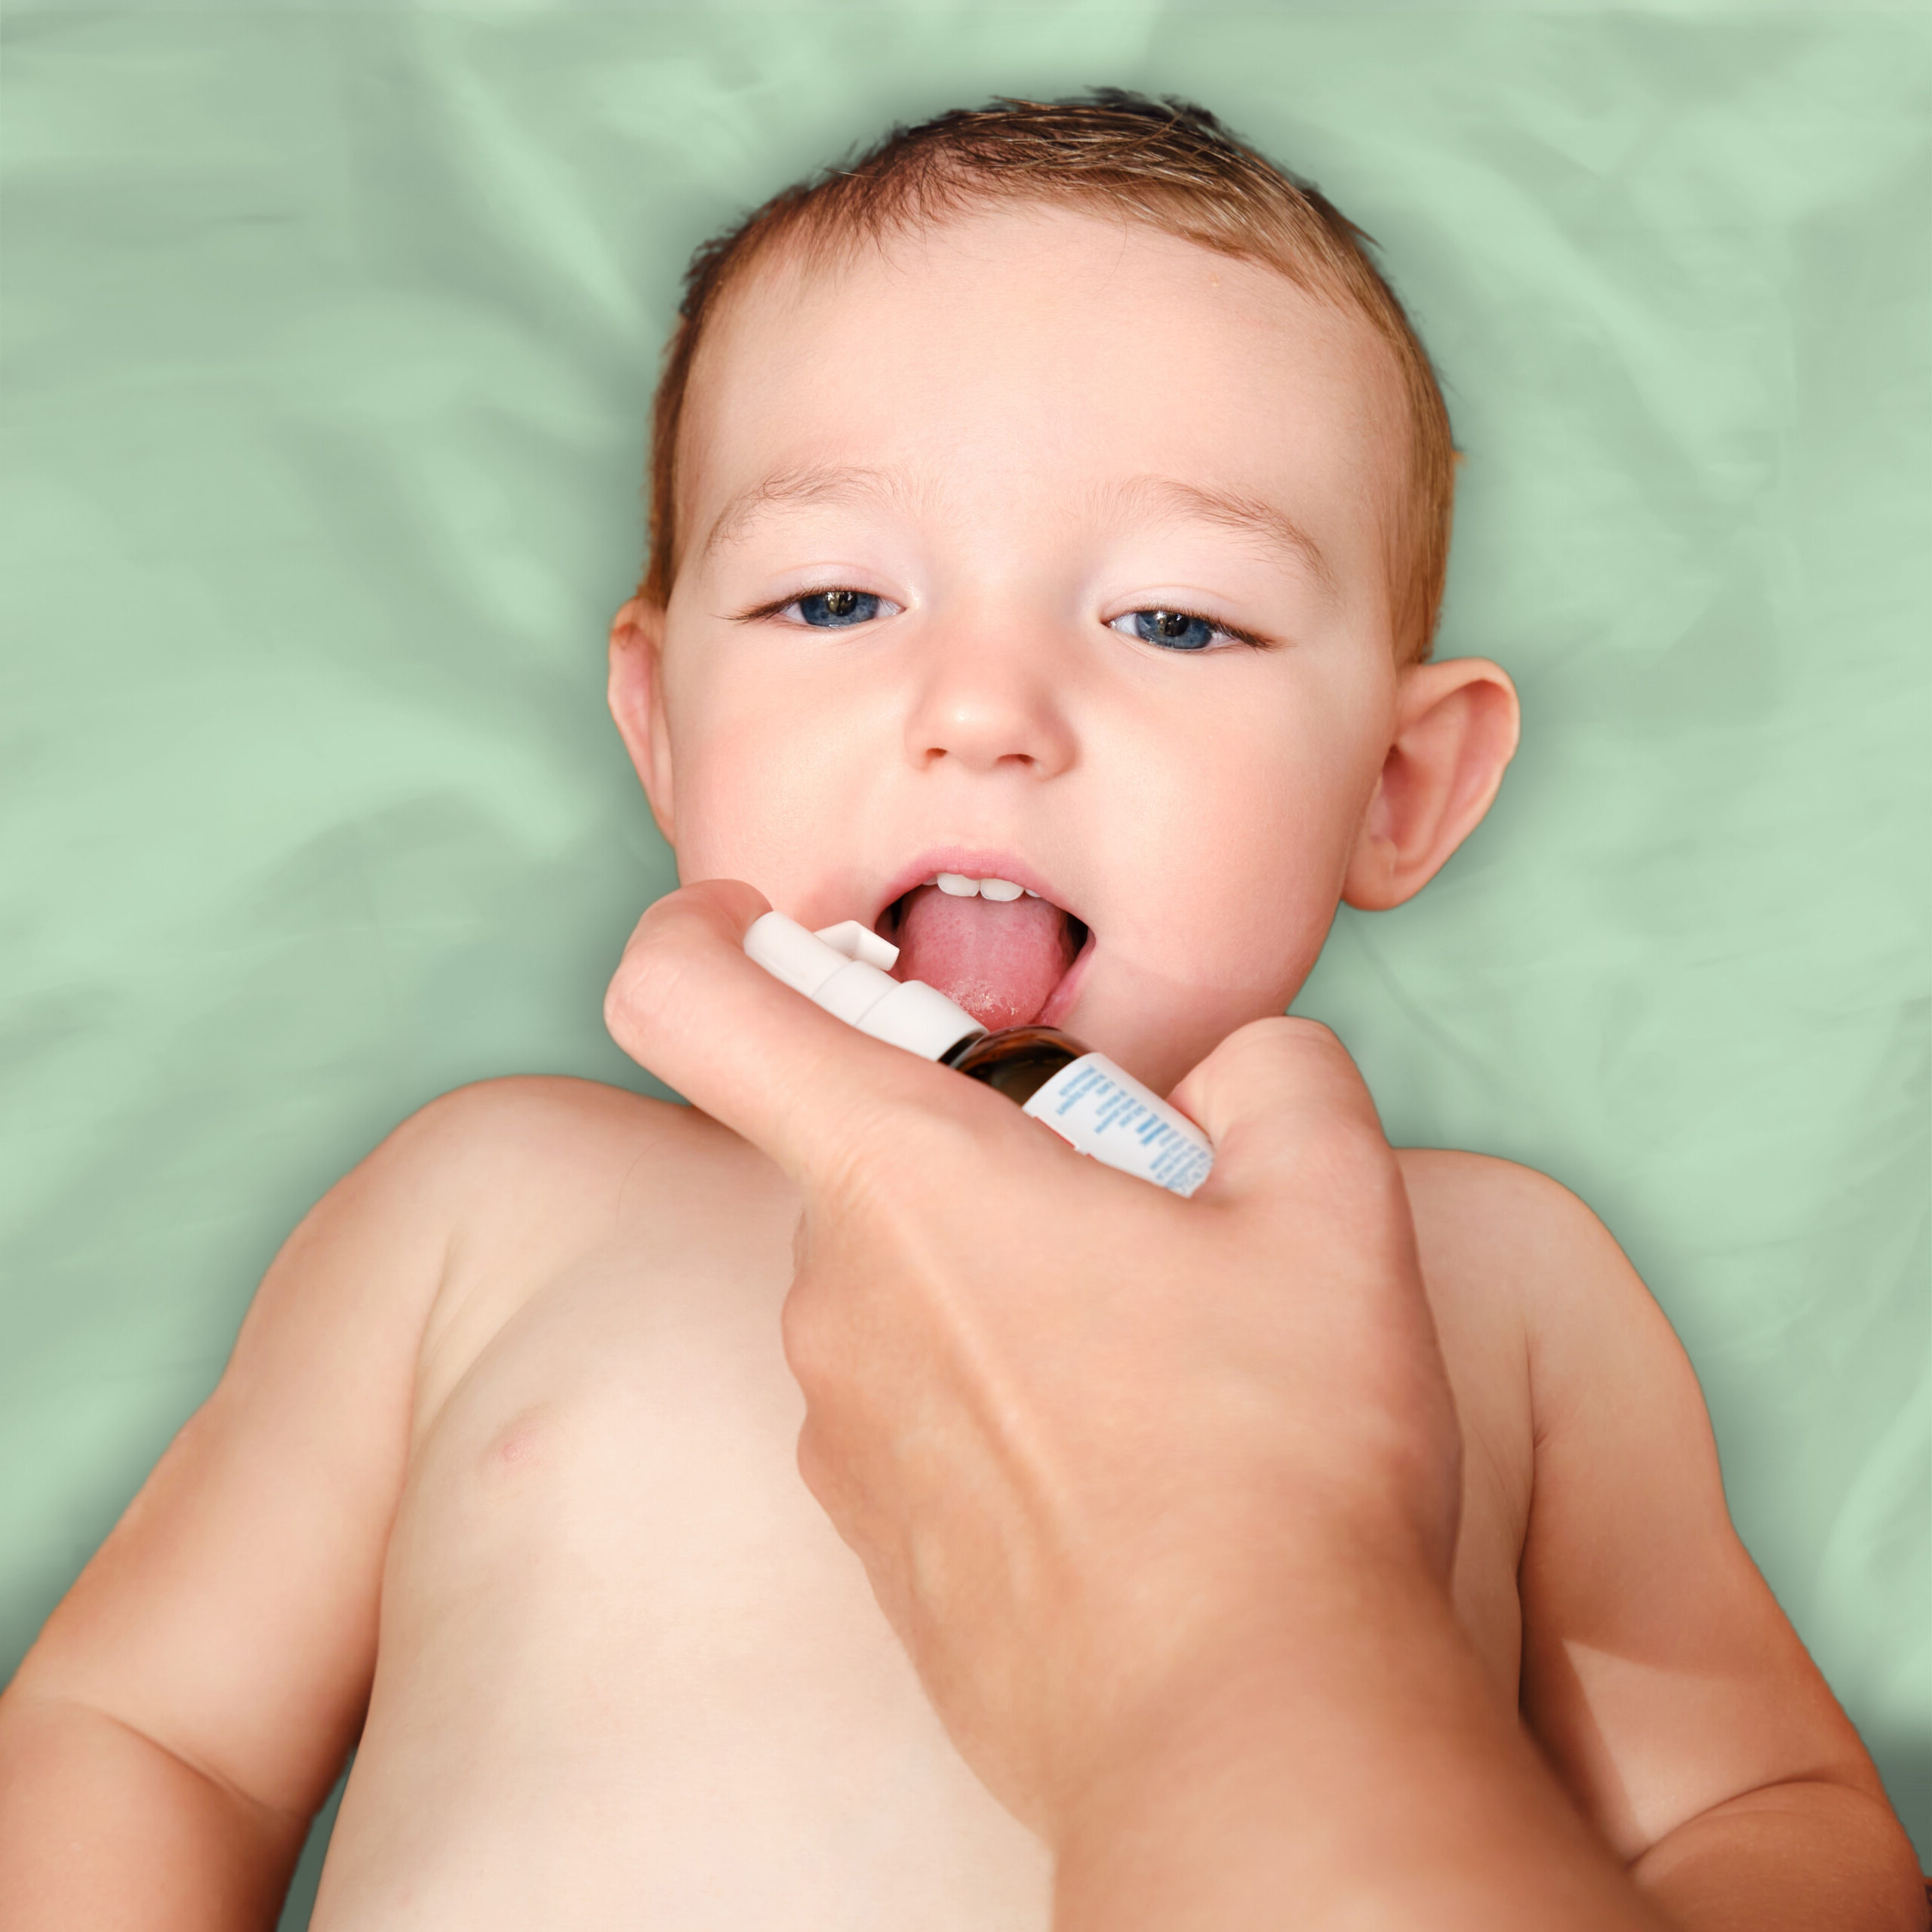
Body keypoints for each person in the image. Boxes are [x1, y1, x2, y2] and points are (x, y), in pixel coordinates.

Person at [0, 91, 1921, 1930]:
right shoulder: (482, 1210)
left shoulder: (1497, 1284)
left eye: (1175, 618)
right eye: (834, 600)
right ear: (661, 724)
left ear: (1398, 787)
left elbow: (1760, 1810)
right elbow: (138, 1732)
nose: (984, 705)